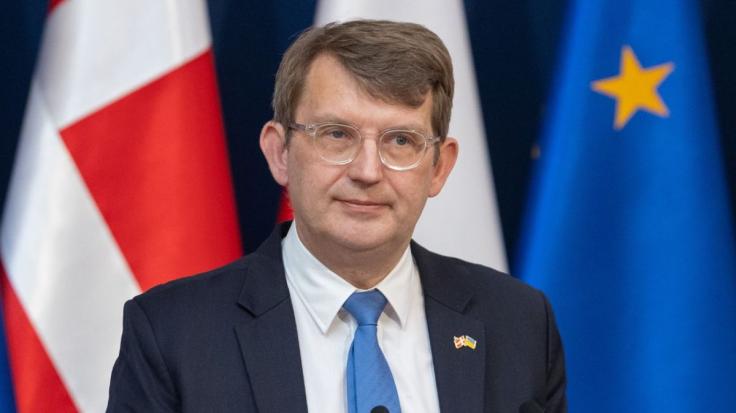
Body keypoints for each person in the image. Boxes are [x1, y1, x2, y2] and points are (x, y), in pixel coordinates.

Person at [107, 20, 566, 413]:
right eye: (336, 135)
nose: (367, 171)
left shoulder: (518, 323)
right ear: (279, 153)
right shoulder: (173, 334)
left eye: (401, 141)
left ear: (439, 167)